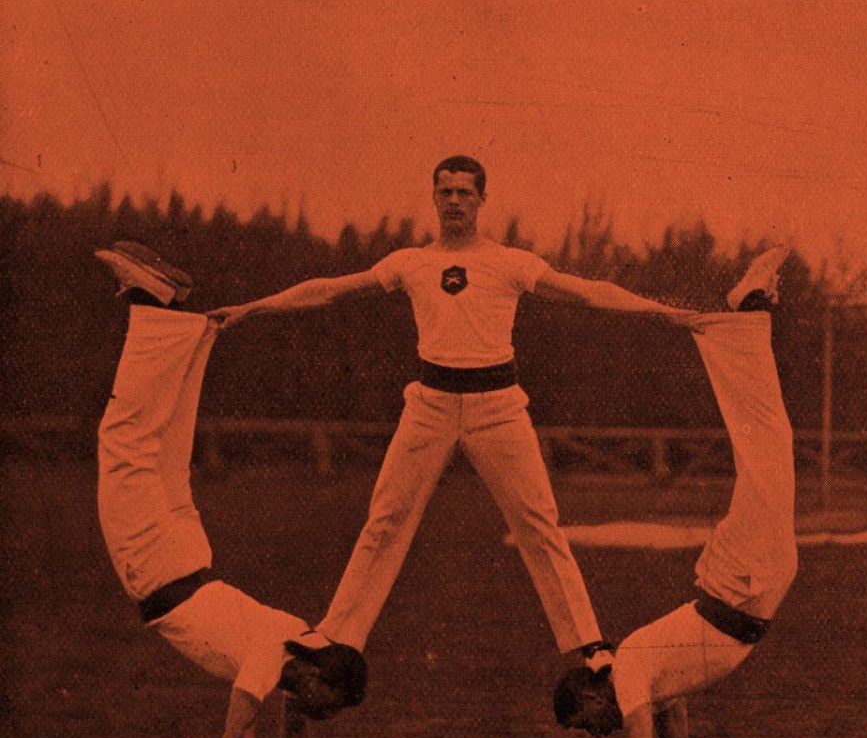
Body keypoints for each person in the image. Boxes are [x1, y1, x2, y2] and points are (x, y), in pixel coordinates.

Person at [208, 156, 720, 678]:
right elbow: (328, 289)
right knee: (384, 519)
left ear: (481, 201)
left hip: (498, 408)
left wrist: (667, 312)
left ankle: (589, 646)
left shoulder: (511, 263)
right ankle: (336, 635)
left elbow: (588, 292)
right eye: (445, 191)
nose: (454, 201)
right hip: (429, 405)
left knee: (539, 525)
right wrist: (249, 309)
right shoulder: (409, 263)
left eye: (464, 193)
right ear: (433, 197)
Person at [92, 242, 370, 738]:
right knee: (126, 443)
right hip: (160, 569)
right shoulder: (275, 656)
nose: (321, 714)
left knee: (164, 444)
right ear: (320, 676)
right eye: (329, 703)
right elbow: (235, 737)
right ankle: (151, 303)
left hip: (191, 555)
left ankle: (185, 326)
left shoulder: (307, 646)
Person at [552, 269, 799, 738]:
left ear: (593, 691)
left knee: (766, 443)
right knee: (767, 443)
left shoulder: (632, 670)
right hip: (754, 588)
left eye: (588, 724)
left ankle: (738, 321)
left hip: (741, 581)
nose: (598, 735)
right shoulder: (653, 680)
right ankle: (744, 322)